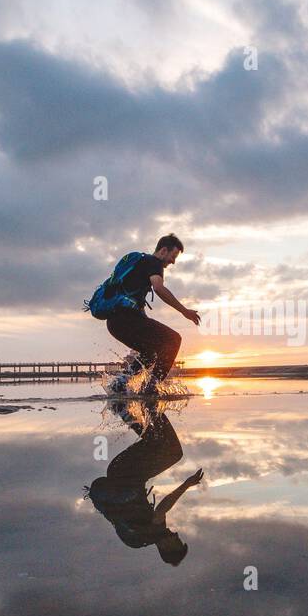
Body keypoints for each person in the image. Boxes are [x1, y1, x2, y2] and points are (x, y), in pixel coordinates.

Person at [86, 406, 203, 564]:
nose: (176, 535)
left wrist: (187, 484)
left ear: (167, 547)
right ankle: (123, 407)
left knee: (174, 452)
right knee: (156, 441)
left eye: (177, 541)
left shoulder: (155, 532)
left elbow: (163, 508)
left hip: (128, 472)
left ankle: (151, 402)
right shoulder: (140, 539)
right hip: (119, 471)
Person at [104, 233, 200, 392]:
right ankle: (151, 388)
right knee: (174, 339)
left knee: (151, 352)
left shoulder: (140, 263)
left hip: (115, 323)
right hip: (126, 319)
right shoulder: (154, 263)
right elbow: (158, 288)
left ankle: (120, 383)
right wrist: (185, 311)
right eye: (173, 256)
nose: (172, 262)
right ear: (163, 250)